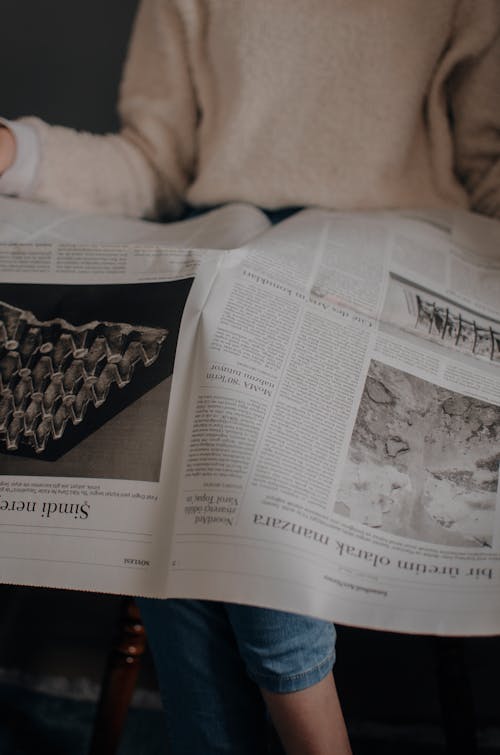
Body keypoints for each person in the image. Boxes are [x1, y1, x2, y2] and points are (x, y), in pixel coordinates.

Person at [0, 2, 499, 753]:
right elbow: (154, 161)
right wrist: (15, 151)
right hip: (236, 247)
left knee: (209, 384)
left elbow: (485, 168)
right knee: (205, 364)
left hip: (401, 251)